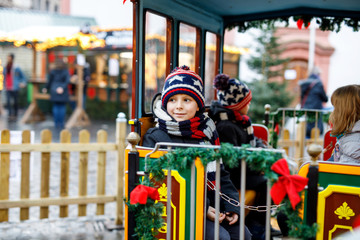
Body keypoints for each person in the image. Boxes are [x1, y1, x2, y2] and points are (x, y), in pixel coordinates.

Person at [142, 66, 252, 240]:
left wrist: (232, 207)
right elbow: (163, 184)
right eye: (172, 100)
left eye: (186, 100)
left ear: (198, 104)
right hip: (179, 210)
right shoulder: (157, 138)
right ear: (165, 103)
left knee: (242, 233)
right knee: (220, 237)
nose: (178, 106)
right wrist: (203, 208)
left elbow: (221, 174)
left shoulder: (206, 132)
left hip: (211, 205)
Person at [210, 73, 281, 240]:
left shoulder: (239, 121)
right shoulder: (226, 126)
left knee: (270, 177)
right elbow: (233, 160)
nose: (249, 106)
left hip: (243, 169)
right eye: (247, 103)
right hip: (234, 174)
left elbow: (251, 141)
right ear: (237, 105)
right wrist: (258, 168)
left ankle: (262, 222)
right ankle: (258, 225)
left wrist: (261, 148)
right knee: (266, 182)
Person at [329, 84, 360, 163]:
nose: (332, 113)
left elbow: (343, 174)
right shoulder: (349, 136)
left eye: (335, 108)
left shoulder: (353, 144)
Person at [299, 66, 328, 138]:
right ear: (318, 74)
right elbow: (325, 98)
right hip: (316, 109)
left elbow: (302, 97)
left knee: (307, 127)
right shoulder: (318, 83)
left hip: (306, 109)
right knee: (315, 129)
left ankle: (305, 144)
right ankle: (314, 145)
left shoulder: (304, 83)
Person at [43, 59, 70, 130]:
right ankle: (61, 123)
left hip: (54, 90)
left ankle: (56, 123)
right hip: (63, 91)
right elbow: (67, 81)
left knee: (56, 106)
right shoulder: (66, 71)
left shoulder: (53, 71)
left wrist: (46, 88)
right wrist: (62, 88)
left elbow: (50, 81)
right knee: (62, 107)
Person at [2, 53, 27, 121]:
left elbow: (23, 76)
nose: (8, 59)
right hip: (8, 87)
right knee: (8, 102)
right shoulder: (6, 67)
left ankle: (15, 114)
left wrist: (22, 83)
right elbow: (4, 76)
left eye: (9, 58)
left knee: (15, 102)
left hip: (15, 87)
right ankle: (10, 114)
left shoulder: (16, 67)